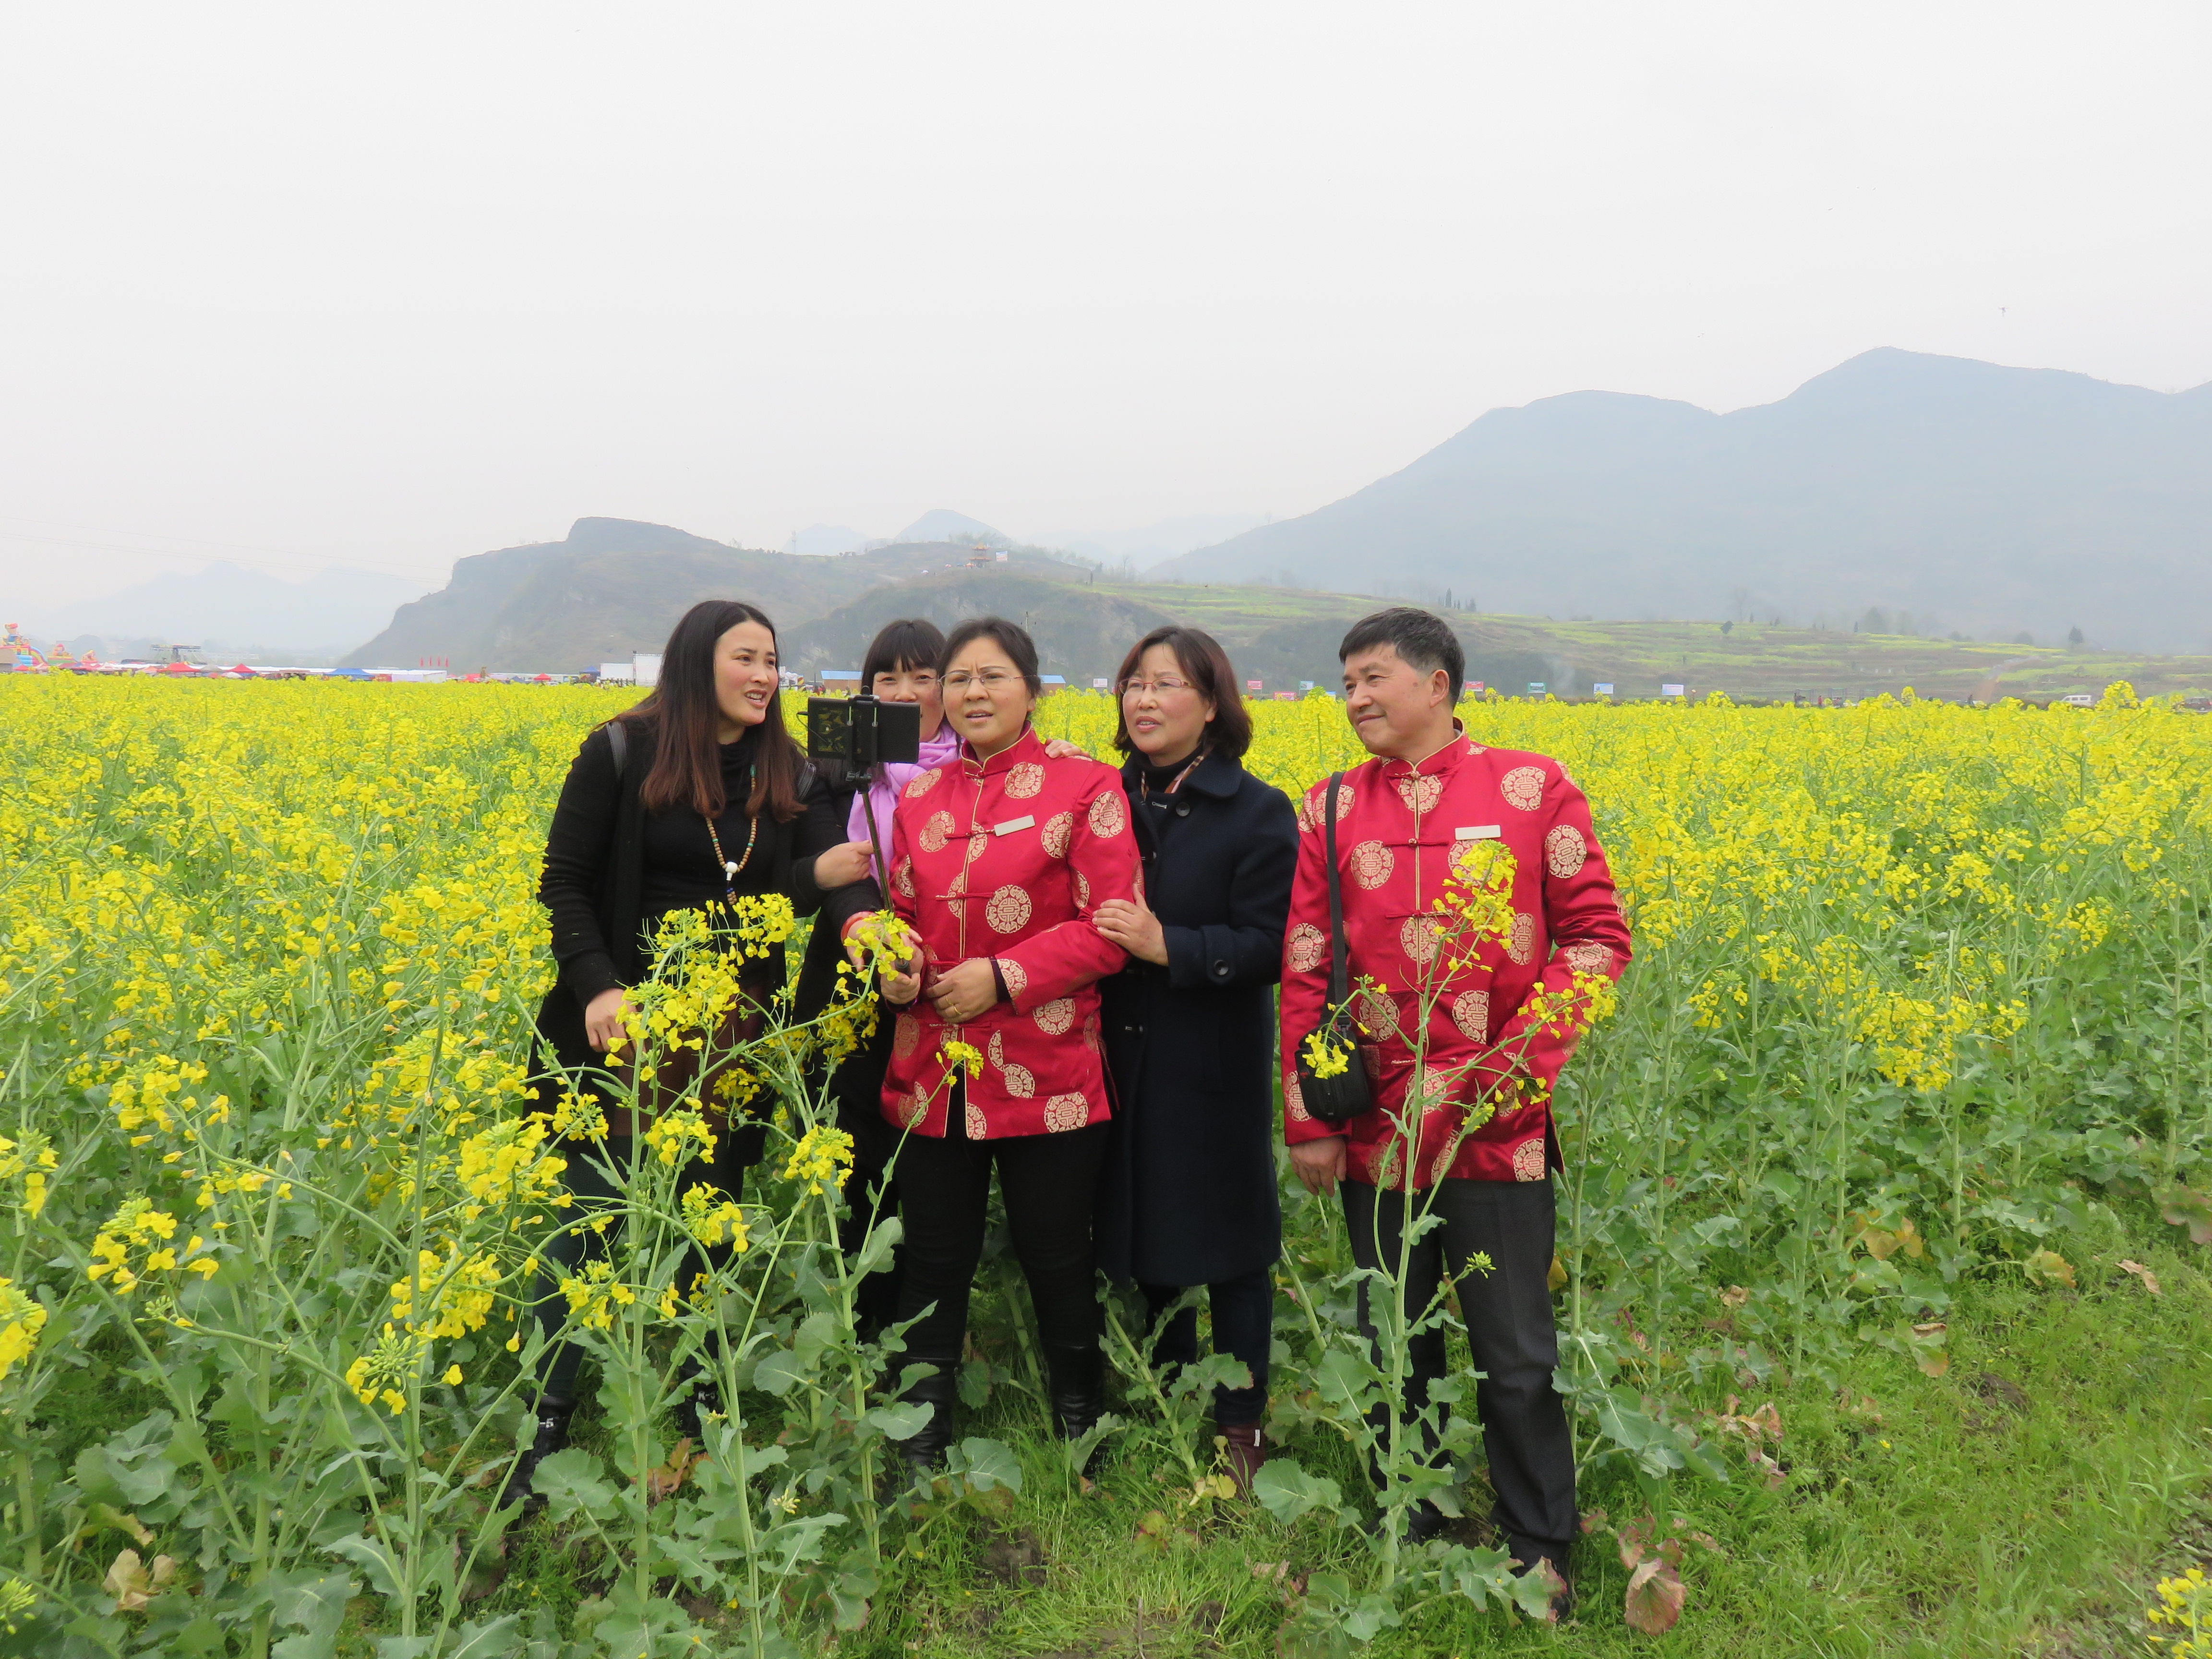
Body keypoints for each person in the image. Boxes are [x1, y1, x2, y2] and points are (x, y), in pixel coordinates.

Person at [1276, 606, 1631, 1611]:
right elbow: (1306, 964)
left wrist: (1518, 1070)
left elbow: (1598, 941)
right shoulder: (1330, 808)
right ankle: (1411, 1517)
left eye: (1374, 679)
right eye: (1346, 685)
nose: (1356, 701)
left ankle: (1540, 1547)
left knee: (1515, 1352)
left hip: (1497, 1124)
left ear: (1439, 683)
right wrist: (1305, 1112)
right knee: (1395, 1335)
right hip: (1373, 1122)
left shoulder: (1533, 787)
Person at [506, 600, 880, 1507]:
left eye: (774, 661)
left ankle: (698, 1404)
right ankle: (549, 1413)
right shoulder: (620, 750)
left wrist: (828, 882)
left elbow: (768, 891)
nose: (764, 675)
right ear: (695, 663)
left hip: (731, 1029)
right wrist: (598, 984)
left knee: (708, 1211)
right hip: (620, 1021)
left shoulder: (782, 766)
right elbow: (563, 880)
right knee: (589, 1211)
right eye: (746, 657)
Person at [873, 616, 1140, 1469]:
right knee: (934, 1253)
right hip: (933, 1064)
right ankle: (923, 1425)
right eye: (959, 680)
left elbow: (1111, 929)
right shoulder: (920, 799)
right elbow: (904, 912)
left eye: (993, 677)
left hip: (1048, 1063)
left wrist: (1002, 976)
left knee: (1057, 1252)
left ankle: (1080, 1416)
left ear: (1033, 688)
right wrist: (896, 963)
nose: (974, 693)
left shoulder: (1087, 787)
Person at [1091, 627, 1296, 1494]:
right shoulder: (1104, 799)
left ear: (1212, 704)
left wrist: (1164, 943)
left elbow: (1270, 944)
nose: (1142, 700)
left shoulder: (1258, 810)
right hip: (1116, 1052)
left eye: (1164, 685)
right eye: (1133, 684)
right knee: (1144, 1228)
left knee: (1233, 1242)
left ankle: (1240, 1421)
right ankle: (1173, 1391)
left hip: (1207, 1058)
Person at [787, 618, 960, 1337]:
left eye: (924, 677)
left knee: (933, 1154)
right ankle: (861, 1316)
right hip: (853, 984)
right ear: (864, 694)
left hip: (952, 987)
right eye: (887, 679)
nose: (906, 693)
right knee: (857, 1148)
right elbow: (828, 873)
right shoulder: (829, 773)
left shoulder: (980, 769)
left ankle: (930, 1319)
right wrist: (874, 937)